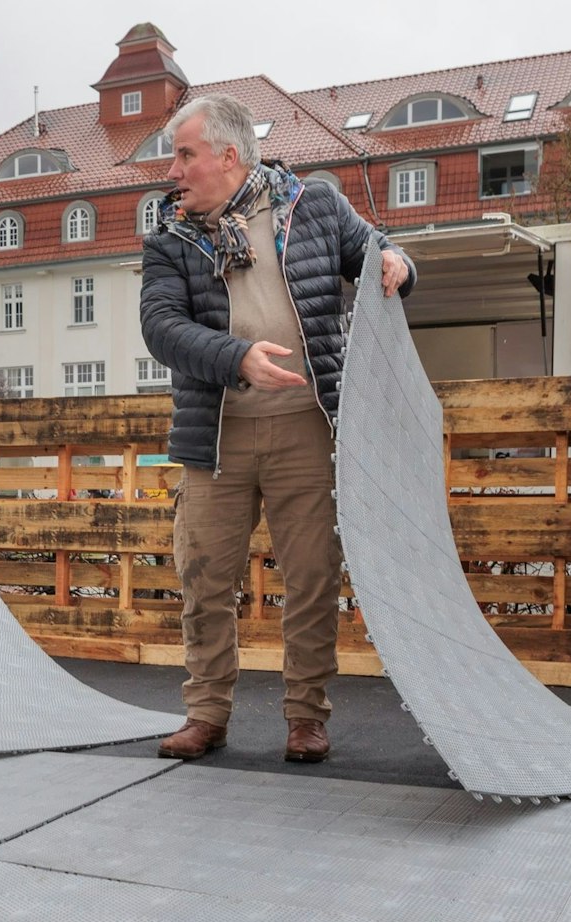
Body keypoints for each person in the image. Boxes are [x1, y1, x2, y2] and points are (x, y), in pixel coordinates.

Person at [139, 94, 414, 764]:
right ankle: (205, 714)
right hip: (217, 435)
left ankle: (305, 717)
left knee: (312, 577)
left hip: (306, 430)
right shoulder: (170, 238)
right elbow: (162, 329)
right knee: (204, 578)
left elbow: (373, 252)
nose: (172, 170)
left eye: (184, 154)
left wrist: (400, 263)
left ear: (228, 156)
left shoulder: (313, 205)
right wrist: (237, 359)